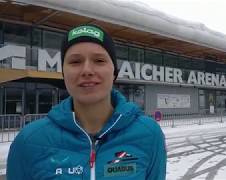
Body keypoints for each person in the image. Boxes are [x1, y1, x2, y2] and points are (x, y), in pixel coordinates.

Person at [7, 24, 167, 180]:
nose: (87, 70)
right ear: (64, 73)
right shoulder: (29, 141)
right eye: (75, 62)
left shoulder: (149, 134)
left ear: (114, 73)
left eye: (99, 60)